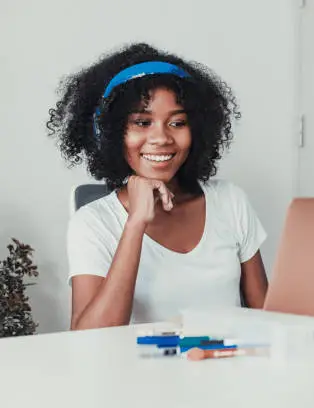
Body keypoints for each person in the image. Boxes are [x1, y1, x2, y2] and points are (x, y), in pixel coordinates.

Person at [46, 43, 269, 330]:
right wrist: (135, 224)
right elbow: (88, 338)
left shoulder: (230, 201)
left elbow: (267, 314)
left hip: (229, 366)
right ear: (111, 133)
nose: (161, 138)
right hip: (141, 373)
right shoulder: (93, 222)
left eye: (177, 123)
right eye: (142, 122)